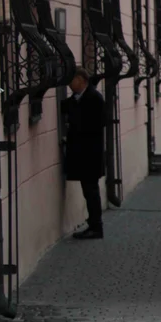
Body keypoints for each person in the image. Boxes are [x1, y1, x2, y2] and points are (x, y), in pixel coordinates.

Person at [63, 68, 106, 240]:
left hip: (90, 154)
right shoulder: (78, 98)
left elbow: (98, 123)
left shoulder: (94, 98)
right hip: (85, 155)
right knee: (88, 191)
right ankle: (94, 224)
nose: (69, 84)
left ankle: (96, 226)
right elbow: (66, 106)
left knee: (91, 191)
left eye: (72, 80)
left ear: (81, 80)